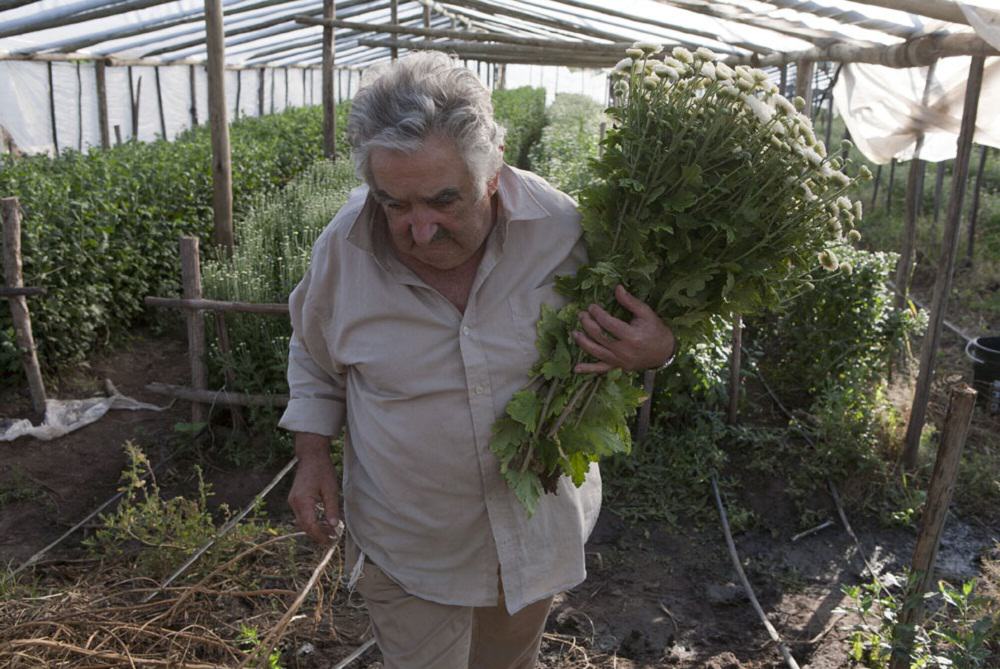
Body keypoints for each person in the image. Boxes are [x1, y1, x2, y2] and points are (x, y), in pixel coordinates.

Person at [279, 52, 675, 669]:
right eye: (395, 205)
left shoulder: (565, 232)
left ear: (492, 172)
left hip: (534, 526)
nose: (420, 230)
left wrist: (658, 350)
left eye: (443, 201)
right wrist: (310, 456)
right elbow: (312, 349)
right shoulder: (343, 252)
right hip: (411, 540)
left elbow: (647, 328)